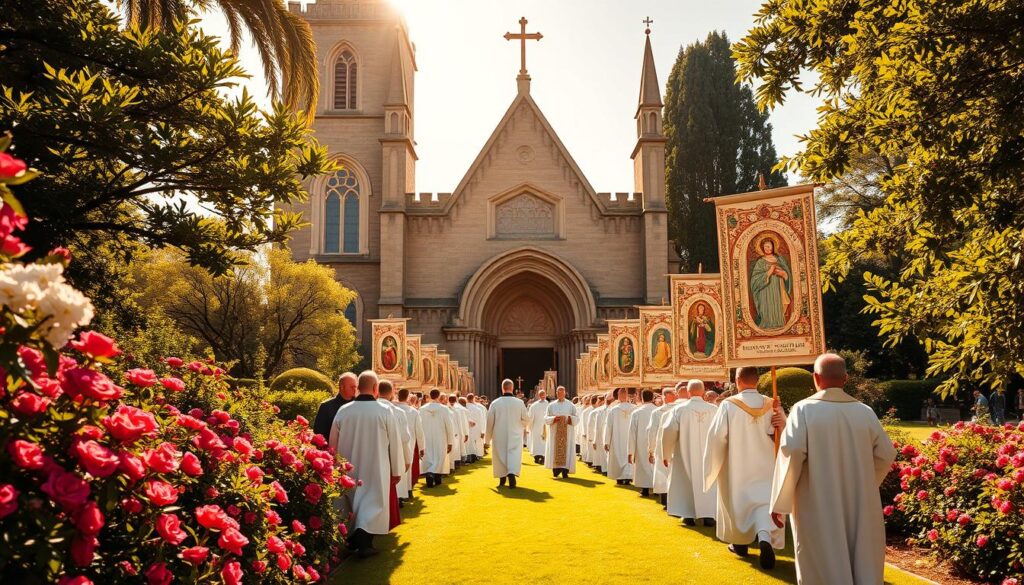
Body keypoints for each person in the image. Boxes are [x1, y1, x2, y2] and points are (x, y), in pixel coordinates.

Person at [771, 353, 898, 585]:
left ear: (815, 378)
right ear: (846, 378)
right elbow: (886, 453)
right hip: (860, 500)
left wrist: (781, 500)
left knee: (821, 558)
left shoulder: (803, 410)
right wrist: (866, 483)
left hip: (816, 499)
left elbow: (793, 451)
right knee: (861, 557)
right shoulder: (865, 412)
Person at [703, 366, 787, 569]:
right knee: (764, 504)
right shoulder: (772, 403)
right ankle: (765, 537)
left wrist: (713, 461)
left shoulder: (729, 405)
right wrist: (781, 422)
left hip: (737, 463)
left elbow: (717, 437)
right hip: (766, 462)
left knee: (739, 503)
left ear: (738, 380)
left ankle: (740, 544)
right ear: (757, 380)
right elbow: (781, 432)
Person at [329, 371, 405, 558]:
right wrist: (397, 469)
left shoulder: (343, 411)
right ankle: (363, 541)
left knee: (352, 502)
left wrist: (333, 466)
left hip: (348, 466)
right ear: (375, 388)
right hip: (376, 466)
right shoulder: (385, 411)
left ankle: (356, 539)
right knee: (372, 503)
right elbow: (395, 442)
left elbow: (332, 443)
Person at [662, 380, 718, 526]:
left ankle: (687, 514)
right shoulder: (714, 409)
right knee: (709, 482)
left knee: (685, 480)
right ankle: (709, 515)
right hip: (710, 453)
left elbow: (668, 431)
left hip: (684, 451)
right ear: (704, 392)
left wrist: (666, 453)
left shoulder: (679, 409)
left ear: (688, 392)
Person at [377, 380, 410, 527]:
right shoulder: (397, 412)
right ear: (391, 393)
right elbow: (404, 438)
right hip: (390, 455)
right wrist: (407, 458)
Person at [486, 379, 530, 488]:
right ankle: (511, 473)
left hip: (499, 434)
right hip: (515, 434)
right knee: (514, 454)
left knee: (500, 455)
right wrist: (519, 427)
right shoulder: (519, 403)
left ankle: (502, 479)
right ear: (512, 388)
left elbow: (489, 422)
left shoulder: (495, 403)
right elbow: (526, 419)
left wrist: (487, 440)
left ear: (502, 388)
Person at [648, 385, 680, 506]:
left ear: (665, 397)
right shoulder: (679, 409)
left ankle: (665, 500)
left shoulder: (657, 412)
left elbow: (652, 432)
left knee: (663, 473)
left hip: (661, 445)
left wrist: (651, 450)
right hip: (677, 446)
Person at [419, 389, 455, 488]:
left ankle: (430, 476)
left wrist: (420, 441)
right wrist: (450, 442)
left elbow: (419, 425)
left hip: (427, 437)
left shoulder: (422, 409)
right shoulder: (444, 409)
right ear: (439, 396)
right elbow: (449, 426)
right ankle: (436, 476)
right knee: (439, 457)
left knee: (429, 456)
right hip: (441, 437)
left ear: (430, 396)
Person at [395, 388, 425, 500]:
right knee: (407, 468)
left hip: (394, 442)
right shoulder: (413, 412)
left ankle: (400, 493)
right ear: (408, 397)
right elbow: (419, 431)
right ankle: (407, 491)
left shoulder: (392, 409)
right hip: (409, 443)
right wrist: (422, 447)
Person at [627, 390, 657, 496]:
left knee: (643, 465)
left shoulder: (637, 412)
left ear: (642, 398)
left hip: (640, 442)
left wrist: (630, 451)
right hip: (655, 441)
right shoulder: (658, 411)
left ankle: (645, 489)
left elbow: (632, 432)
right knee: (654, 465)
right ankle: (657, 487)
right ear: (653, 397)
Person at [544, 386, 578, 478]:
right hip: (555, 432)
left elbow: (576, 418)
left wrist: (568, 418)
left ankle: (565, 470)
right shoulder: (551, 405)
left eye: (561, 393)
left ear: (565, 393)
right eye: (558, 393)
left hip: (567, 432)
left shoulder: (571, 405)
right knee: (555, 449)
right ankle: (556, 469)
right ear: (556, 393)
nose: (560, 394)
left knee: (567, 450)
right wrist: (554, 418)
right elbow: (546, 418)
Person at [604, 388, 636, 485]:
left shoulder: (613, 410)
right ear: (626, 396)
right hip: (630, 437)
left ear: (618, 396)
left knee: (619, 456)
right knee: (629, 455)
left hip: (617, 438)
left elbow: (608, 427)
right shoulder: (634, 408)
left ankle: (620, 477)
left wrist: (606, 441)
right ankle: (629, 476)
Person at [313, 372, 357, 439]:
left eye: (355, 387)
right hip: (333, 448)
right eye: (352, 387)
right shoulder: (326, 407)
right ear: (342, 387)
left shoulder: (359, 406)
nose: (355, 389)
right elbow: (319, 434)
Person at [527, 390, 549, 464]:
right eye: (542, 394)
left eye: (544, 394)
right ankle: (539, 456)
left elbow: (530, 418)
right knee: (540, 442)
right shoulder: (535, 405)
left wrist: (529, 427)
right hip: (541, 426)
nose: (543, 396)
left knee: (540, 442)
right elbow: (531, 417)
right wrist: (530, 427)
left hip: (541, 427)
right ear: (539, 396)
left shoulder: (548, 405)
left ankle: (539, 456)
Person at [465, 394, 487, 463]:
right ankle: (475, 456)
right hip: (476, 428)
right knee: (475, 443)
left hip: (467, 428)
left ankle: (468, 457)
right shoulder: (478, 409)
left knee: (468, 443)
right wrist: (483, 431)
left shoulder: (464, 407)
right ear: (473, 399)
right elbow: (482, 420)